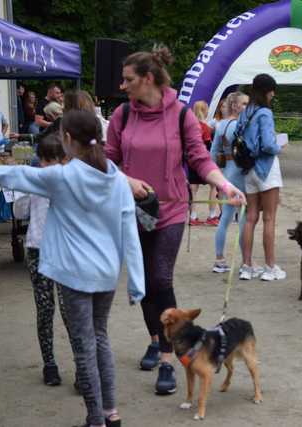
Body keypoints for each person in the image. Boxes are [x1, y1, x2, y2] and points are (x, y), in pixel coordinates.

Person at [0, 109, 144, 427]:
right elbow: (130, 234)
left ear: (67, 139)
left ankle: (95, 419)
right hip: (107, 274)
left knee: (84, 347)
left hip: (74, 274)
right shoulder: (116, 177)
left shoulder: (63, 177)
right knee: (100, 339)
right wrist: (136, 280)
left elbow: (19, 176)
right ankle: (112, 413)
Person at [105, 46, 245, 396]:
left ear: (148, 79)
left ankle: (167, 359)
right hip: (133, 210)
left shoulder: (181, 115)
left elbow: (199, 159)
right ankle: (156, 339)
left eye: (129, 80)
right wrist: (125, 181)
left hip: (169, 210)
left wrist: (226, 185)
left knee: (160, 277)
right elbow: (107, 163)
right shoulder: (122, 116)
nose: (123, 86)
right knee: (144, 284)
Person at [12, 134, 72, 386]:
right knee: (45, 310)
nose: (48, 166)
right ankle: (49, 364)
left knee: (72, 313)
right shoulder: (34, 181)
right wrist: (28, 189)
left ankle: (83, 366)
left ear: (64, 160)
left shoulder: (71, 182)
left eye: (54, 160)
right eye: (44, 160)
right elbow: (18, 212)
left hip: (65, 252)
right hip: (38, 250)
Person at [238, 74, 286, 282]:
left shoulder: (246, 111)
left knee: (250, 218)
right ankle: (269, 267)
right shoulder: (265, 113)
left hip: (248, 169)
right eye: (272, 90)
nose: (273, 94)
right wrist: (279, 146)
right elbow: (267, 144)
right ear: (267, 91)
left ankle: (247, 266)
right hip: (266, 169)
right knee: (269, 218)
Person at [210, 91, 249, 273]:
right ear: (235, 106)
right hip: (240, 173)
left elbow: (212, 153)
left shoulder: (220, 125)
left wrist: (217, 176)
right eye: (244, 104)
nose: (246, 107)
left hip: (226, 173)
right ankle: (245, 261)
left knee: (225, 218)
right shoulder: (241, 126)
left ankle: (219, 258)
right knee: (243, 218)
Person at [190, 100, 219, 226]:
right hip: (203, 162)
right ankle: (212, 216)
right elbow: (208, 146)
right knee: (213, 187)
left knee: (193, 190)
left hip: (191, 162)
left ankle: (193, 216)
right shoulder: (205, 127)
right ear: (204, 111)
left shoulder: (190, 126)